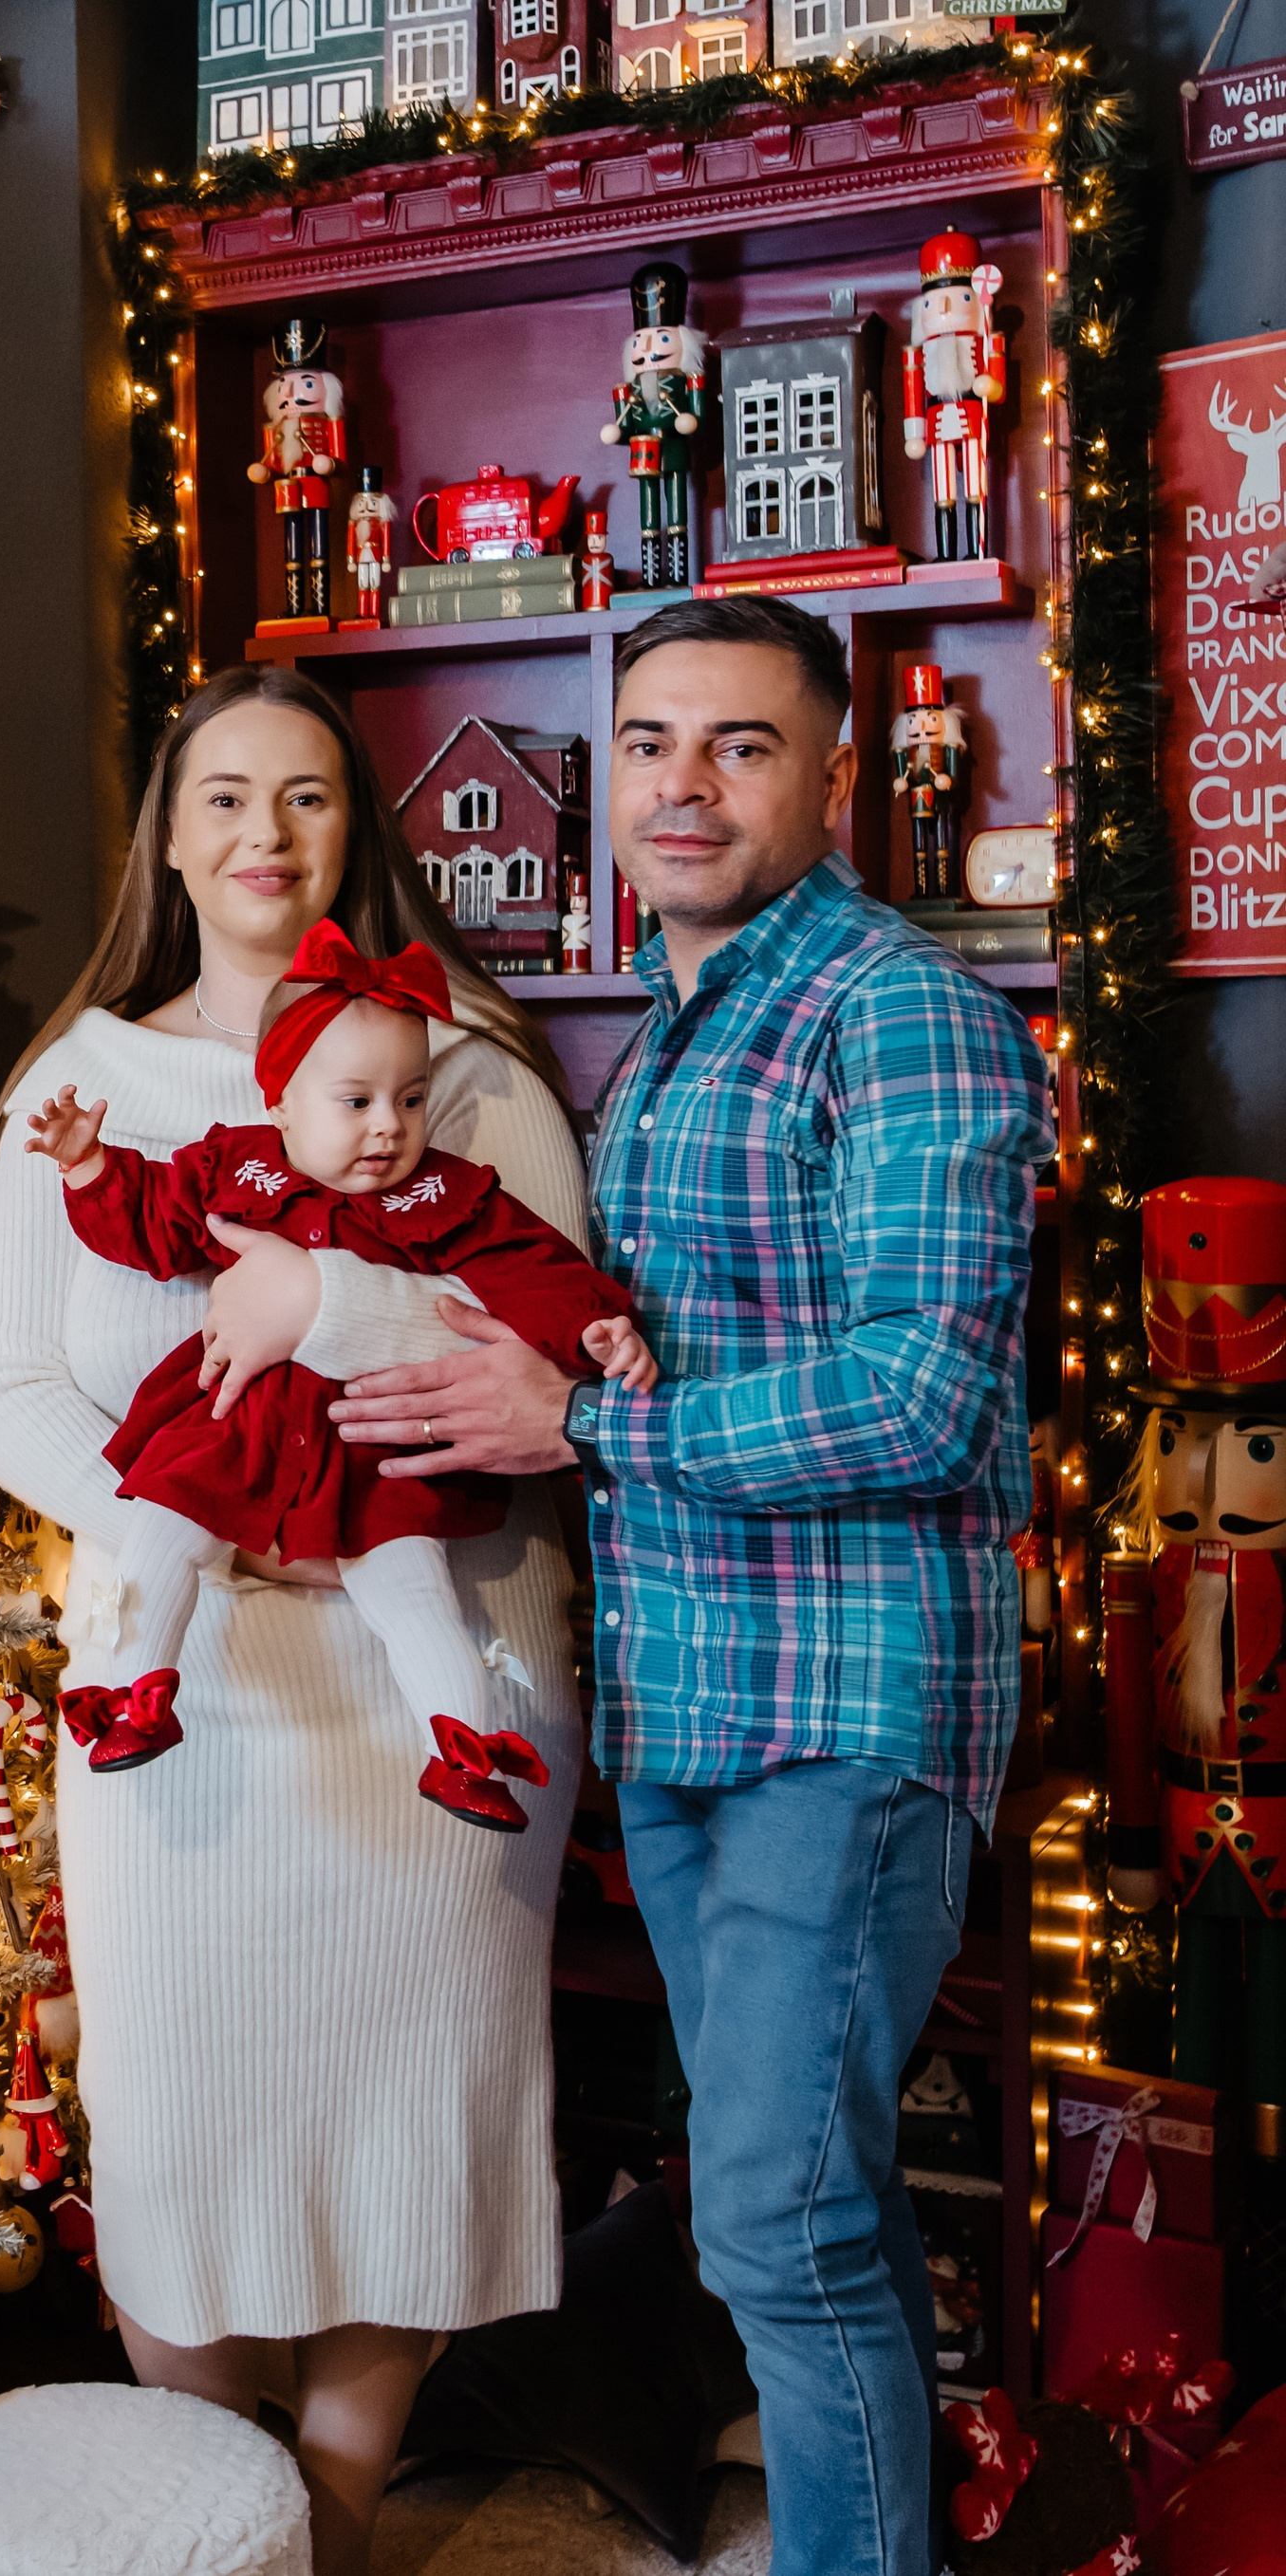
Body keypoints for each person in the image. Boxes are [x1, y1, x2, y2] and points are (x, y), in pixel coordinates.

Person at [200, 597, 1053, 2576]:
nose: (681, 783)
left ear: (830, 776)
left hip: (837, 1713)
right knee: (781, 2193)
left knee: (776, 2207)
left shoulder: (892, 1007)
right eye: (651, 741)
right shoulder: (674, 1028)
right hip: (685, 1710)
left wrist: (573, 1433)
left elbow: (919, 1394)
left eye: (738, 745)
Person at [0, 665, 587, 2576]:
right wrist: (189, 1511)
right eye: (220, 795)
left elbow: (538, 1348)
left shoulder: (459, 1059)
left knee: (408, 2106)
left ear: (352, 825)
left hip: (429, 1671)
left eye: (302, 795)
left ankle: (328, 2510)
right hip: (186, 1674)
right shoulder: (81, 1091)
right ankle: (205, 2511)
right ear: (165, 830)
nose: (260, 833)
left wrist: (333, 1319)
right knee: (174, 2116)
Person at [23, 917, 650, 1814]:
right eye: (355, 1102)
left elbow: (534, 1268)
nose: (389, 1128)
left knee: (414, 1586)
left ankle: (463, 1742)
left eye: (413, 1097)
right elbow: (153, 1227)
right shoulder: (235, 1166)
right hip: (234, 1417)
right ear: (279, 1100)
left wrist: (595, 1328)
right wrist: (89, 1167)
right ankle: (140, 1692)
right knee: (164, 1524)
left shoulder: (445, 1191)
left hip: (370, 1443)